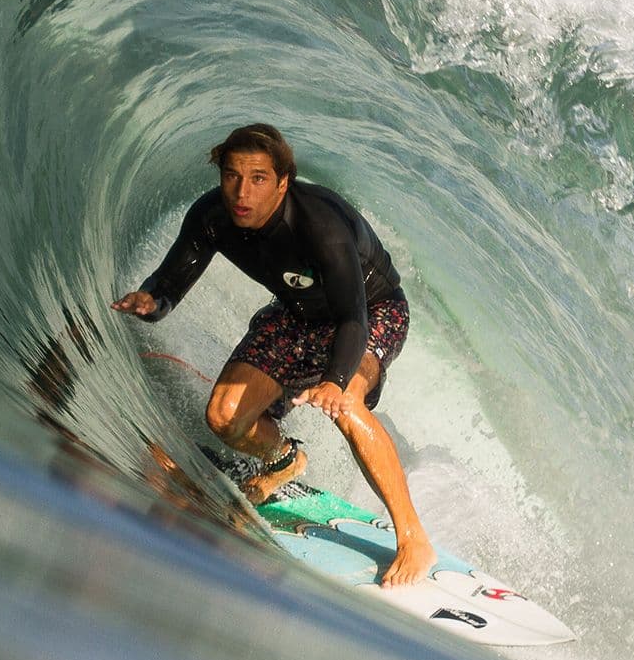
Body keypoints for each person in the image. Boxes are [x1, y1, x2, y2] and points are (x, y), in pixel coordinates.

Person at [112, 124, 436, 587]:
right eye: (232, 176)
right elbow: (168, 286)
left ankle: (413, 539)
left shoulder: (320, 226)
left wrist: (335, 379)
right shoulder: (212, 217)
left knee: (346, 403)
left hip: (371, 311)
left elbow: (353, 319)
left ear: (283, 182)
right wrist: (150, 302)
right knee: (225, 418)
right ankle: (284, 459)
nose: (242, 192)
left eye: (259, 178)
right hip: (297, 315)